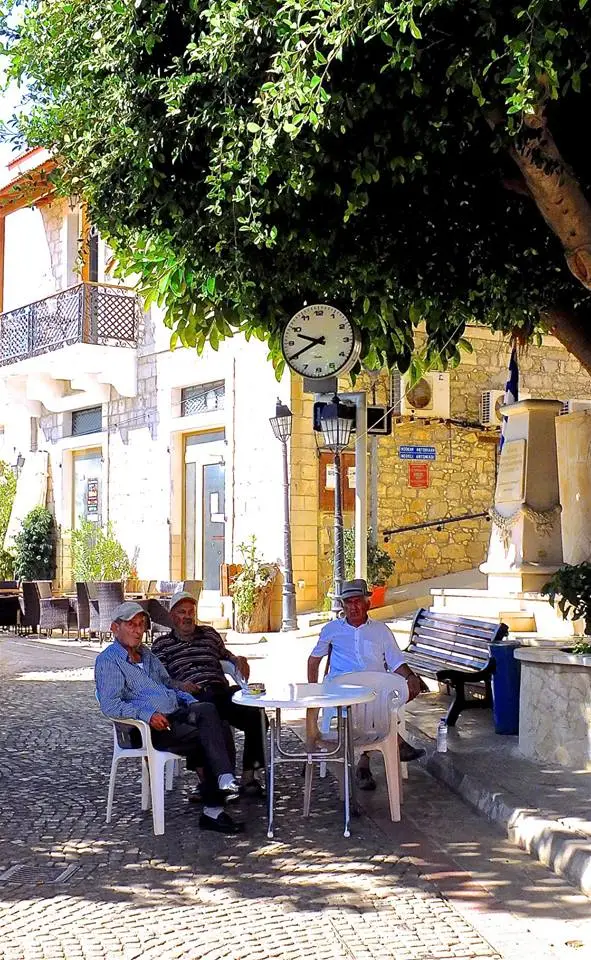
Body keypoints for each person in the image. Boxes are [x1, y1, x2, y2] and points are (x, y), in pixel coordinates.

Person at [95, 601, 244, 834]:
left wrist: (188, 699)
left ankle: (223, 780)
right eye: (131, 625)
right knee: (209, 734)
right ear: (115, 628)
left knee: (209, 713)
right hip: (145, 728)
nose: (137, 630)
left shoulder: (147, 655)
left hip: (173, 716)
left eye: (141, 625)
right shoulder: (109, 661)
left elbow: (167, 685)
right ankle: (215, 805)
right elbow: (110, 705)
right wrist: (148, 714)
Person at [307, 578, 425, 791]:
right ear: (342, 606)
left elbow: (396, 661)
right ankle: (393, 746)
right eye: (348, 602)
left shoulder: (381, 630)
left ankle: (364, 762)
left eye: (357, 601)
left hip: (375, 689)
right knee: (369, 703)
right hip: (343, 689)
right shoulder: (332, 629)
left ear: (367, 603)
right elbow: (314, 660)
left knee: (386, 695)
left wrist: (411, 677)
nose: (353, 607)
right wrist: (314, 691)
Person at [152, 592, 265, 796]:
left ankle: (249, 776)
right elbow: (159, 679)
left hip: (221, 690)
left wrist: (239, 660)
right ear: (172, 616)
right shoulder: (162, 645)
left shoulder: (210, 634)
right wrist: (179, 685)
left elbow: (228, 657)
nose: (187, 616)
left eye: (191, 612)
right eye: (181, 612)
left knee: (256, 712)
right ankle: (210, 783)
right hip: (191, 697)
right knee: (207, 718)